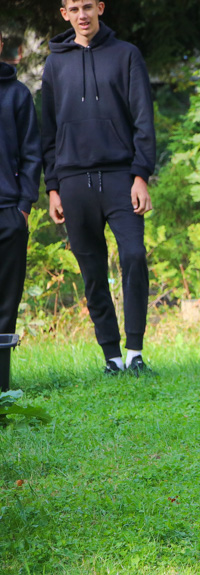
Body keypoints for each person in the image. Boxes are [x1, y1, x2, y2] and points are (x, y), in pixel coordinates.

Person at [42, 0, 157, 374]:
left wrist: (141, 175)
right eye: (73, 8)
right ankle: (111, 356)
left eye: (87, 6)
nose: (82, 15)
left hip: (121, 177)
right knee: (92, 271)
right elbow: (47, 131)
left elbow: (143, 119)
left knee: (134, 256)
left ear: (100, 8)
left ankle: (135, 352)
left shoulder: (126, 55)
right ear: (64, 14)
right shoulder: (54, 63)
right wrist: (53, 187)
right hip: (73, 181)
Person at [0, 29, 41, 385]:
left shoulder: (17, 94)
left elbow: (31, 154)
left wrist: (24, 207)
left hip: (7, 214)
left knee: (5, 304)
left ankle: (1, 385)